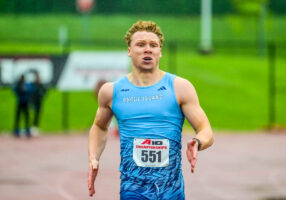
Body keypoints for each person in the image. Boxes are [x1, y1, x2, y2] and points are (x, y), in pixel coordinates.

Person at [88, 21, 214, 199]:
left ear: (160, 52)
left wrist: (198, 142)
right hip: (132, 191)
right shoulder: (111, 91)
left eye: (153, 45)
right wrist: (94, 157)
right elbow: (99, 127)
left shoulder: (180, 88)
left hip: (170, 191)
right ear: (129, 51)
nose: (148, 49)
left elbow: (206, 129)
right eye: (140, 45)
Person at [30, 71, 47, 136]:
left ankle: (35, 128)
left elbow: (45, 91)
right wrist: (31, 101)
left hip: (39, 102)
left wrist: (42, 96)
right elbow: (31, 93)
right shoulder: (33, 84)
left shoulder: (40, 84)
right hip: (34, 102)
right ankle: (32, 128)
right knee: (33, 115)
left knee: (38, 115)